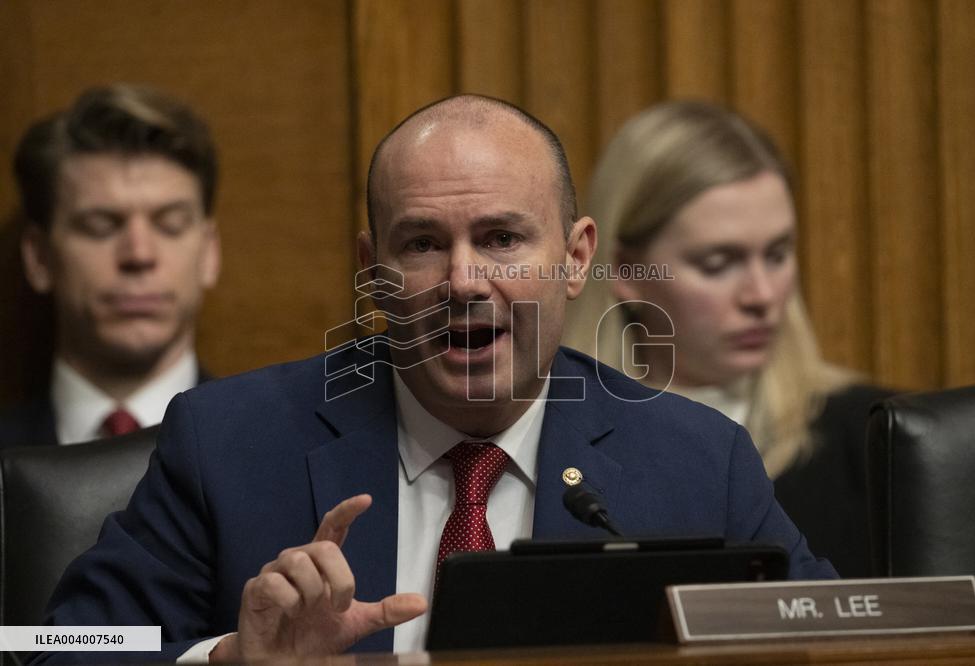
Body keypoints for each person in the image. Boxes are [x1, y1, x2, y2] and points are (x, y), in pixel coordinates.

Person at [32, 95, 834, 664]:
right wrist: (229, 659)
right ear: (371, 269)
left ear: (577, 257)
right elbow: (53, 645)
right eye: (420, 244)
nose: (463, 281)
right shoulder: (226, 441)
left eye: (501, 239)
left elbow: (839, 642)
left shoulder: (698, 461)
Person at [563, 101, 893, 578]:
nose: (761, 295)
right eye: (719, 263)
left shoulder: (877, 441)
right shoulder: (556, 453)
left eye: (777, 255)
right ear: (626, 272)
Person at [0, 84, 221, 448]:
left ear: (209, 252)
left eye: (170, 224)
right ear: (39, 257)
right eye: (99, 226)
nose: (138, 254)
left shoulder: (276, 452)